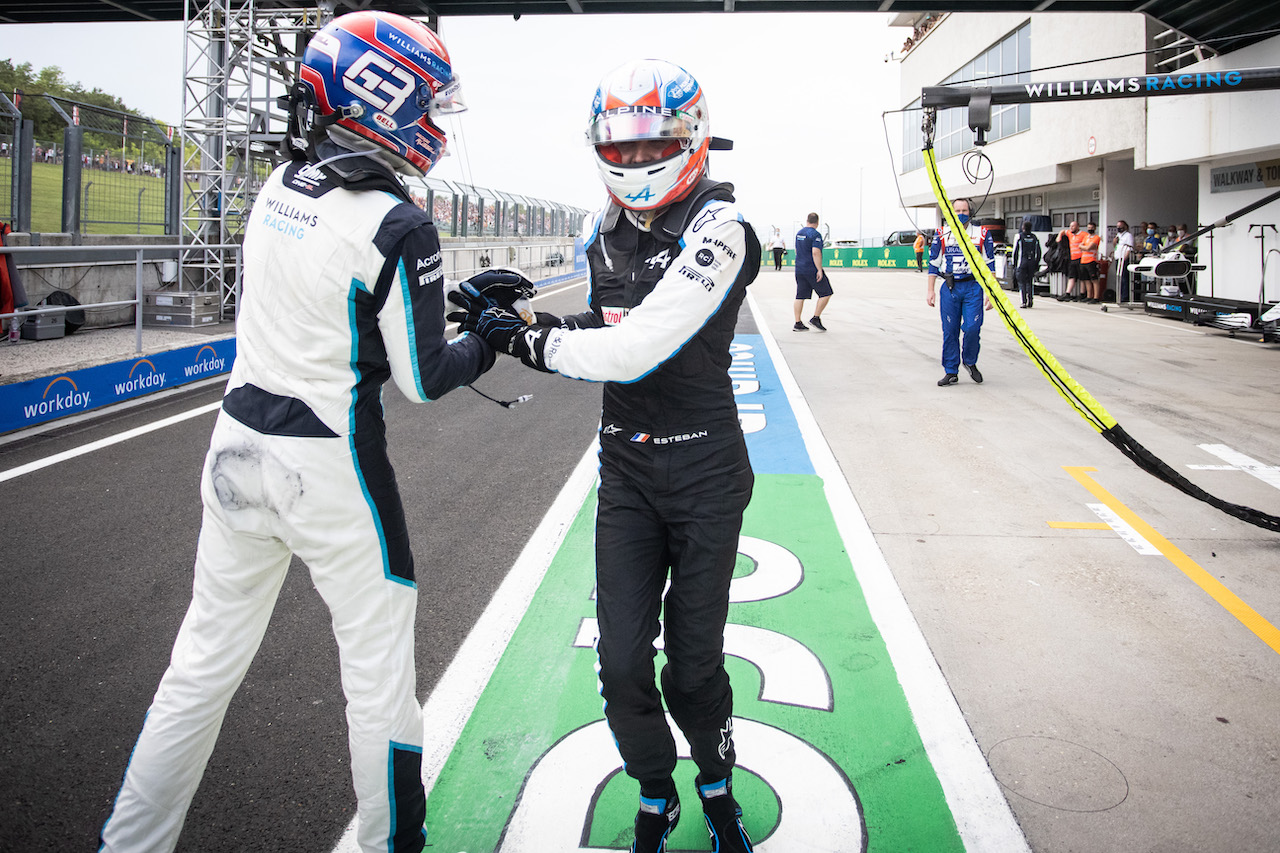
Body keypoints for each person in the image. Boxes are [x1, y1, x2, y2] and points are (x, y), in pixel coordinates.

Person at [98, 13, 494, 853]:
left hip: (234, 444)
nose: (436, 125)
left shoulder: (276, 185)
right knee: (379, 687)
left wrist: (438, 303)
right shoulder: (400, 222)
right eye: (427, 103)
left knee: (197, 672)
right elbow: (422, 378)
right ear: (382, 99)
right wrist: (487, 335)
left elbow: (322, 297)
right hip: (332, 467)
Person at [448, 59, 758, 853]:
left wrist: (523, 341)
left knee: (693, 670)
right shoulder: (598, 229)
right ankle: (657, 793)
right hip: (626, 468)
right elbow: (609, 314)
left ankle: (718, 784)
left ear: (690, 140)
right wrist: (521, 312)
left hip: (706, 472)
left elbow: (638, 345)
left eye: (652, 142)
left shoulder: (724, 230)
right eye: (618, 146)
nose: (635, 159)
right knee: (620, 665)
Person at [927, 197, 994, 386]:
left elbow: (990, 264)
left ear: (970, 212)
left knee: (973, 327)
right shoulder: (942, 234)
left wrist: (991, 292)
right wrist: (930, 290)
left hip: (973, 287)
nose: (961, 214)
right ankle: (951, 370)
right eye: (957, 211)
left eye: (964, 211)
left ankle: (970, 361)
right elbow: (933, 264)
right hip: (950, 288)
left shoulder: (982, 233)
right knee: (950, 330)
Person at [793, 212, 830, 331]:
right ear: (817, 222)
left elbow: (796, 250)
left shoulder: (799, 233)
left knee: (800, 296)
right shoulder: (815, 234)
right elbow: (816, 252)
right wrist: (819, 269)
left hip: (799, 268)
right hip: (811, 268)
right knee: (826, 292)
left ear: (807, 220)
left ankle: (797, 322)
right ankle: (816, 318)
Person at [1011, 220, 1041, 308]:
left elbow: (1015, 251)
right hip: (1031, 262)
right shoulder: (1035, 237)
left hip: (1021, 262)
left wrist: (1014, 264)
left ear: (1023, 227)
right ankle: (1030, 300)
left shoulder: (1019, 236)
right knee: (1030, 282)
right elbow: (1038, 252)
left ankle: (1023, 301)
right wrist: (1036, 264)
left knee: (1021, 282)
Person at [1078, 222, 1103, 303]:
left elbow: (1089, 248)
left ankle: (1096, 297)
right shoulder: (1086, 237)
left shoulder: (1096, 237)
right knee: (1086, 279)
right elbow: (1079, 246)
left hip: (1091, 261)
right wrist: (1083, 247)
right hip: (1083, 261)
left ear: (1095, 228)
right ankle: (1089, 296)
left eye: (1091, 227)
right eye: (1088, 227)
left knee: (1094, 279)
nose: (1090, 229)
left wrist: (1083, 247)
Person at [1111, 220, 1134, 303]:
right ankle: (1119, 296)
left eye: (1120, 226)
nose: (1119, 228)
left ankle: (1125, 297)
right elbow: (1116, 246)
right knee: (1119, 278)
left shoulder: (1128, 235)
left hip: (1124, 259)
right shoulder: (1118, 235)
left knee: (1124, 278)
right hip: (1118, 257)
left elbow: (1129, 248)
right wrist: (1114, 242)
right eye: (1118, 227)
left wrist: (1125, 258)